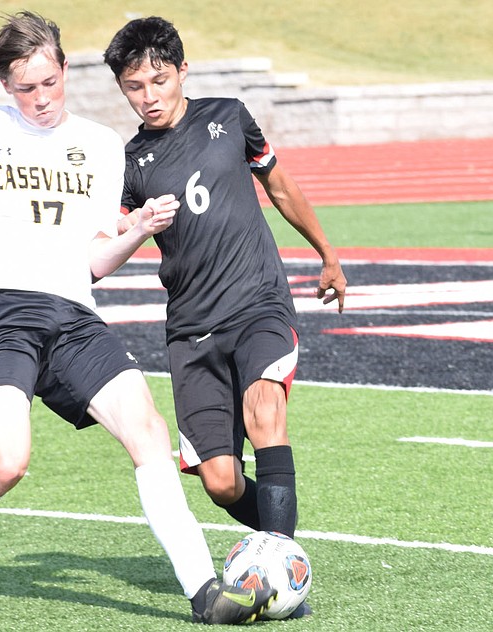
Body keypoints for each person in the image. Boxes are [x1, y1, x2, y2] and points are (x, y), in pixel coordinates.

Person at [0, 11, 275, 624]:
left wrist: (136, 229)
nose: (40, 98)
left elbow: (93, 264)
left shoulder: (100, 145)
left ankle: (204, 591)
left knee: (150, 435)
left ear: (65, 70)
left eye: (49, 82)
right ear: (6, 86)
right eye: (25, 88)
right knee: (7, 463)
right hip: (2, 308)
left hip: (74, 311)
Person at [104, 16, 347, 617]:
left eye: (159, 80)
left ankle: (283, 569)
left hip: (258, 301)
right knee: (219, 481)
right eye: (135, 86)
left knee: (265, 410)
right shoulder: (129, 162)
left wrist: (327, 253)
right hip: (190, 330)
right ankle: (277, 535)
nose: (149, 95)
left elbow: (280, 186)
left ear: (182, 71)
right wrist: (136, 226)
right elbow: (110, 233)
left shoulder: (230, 117)